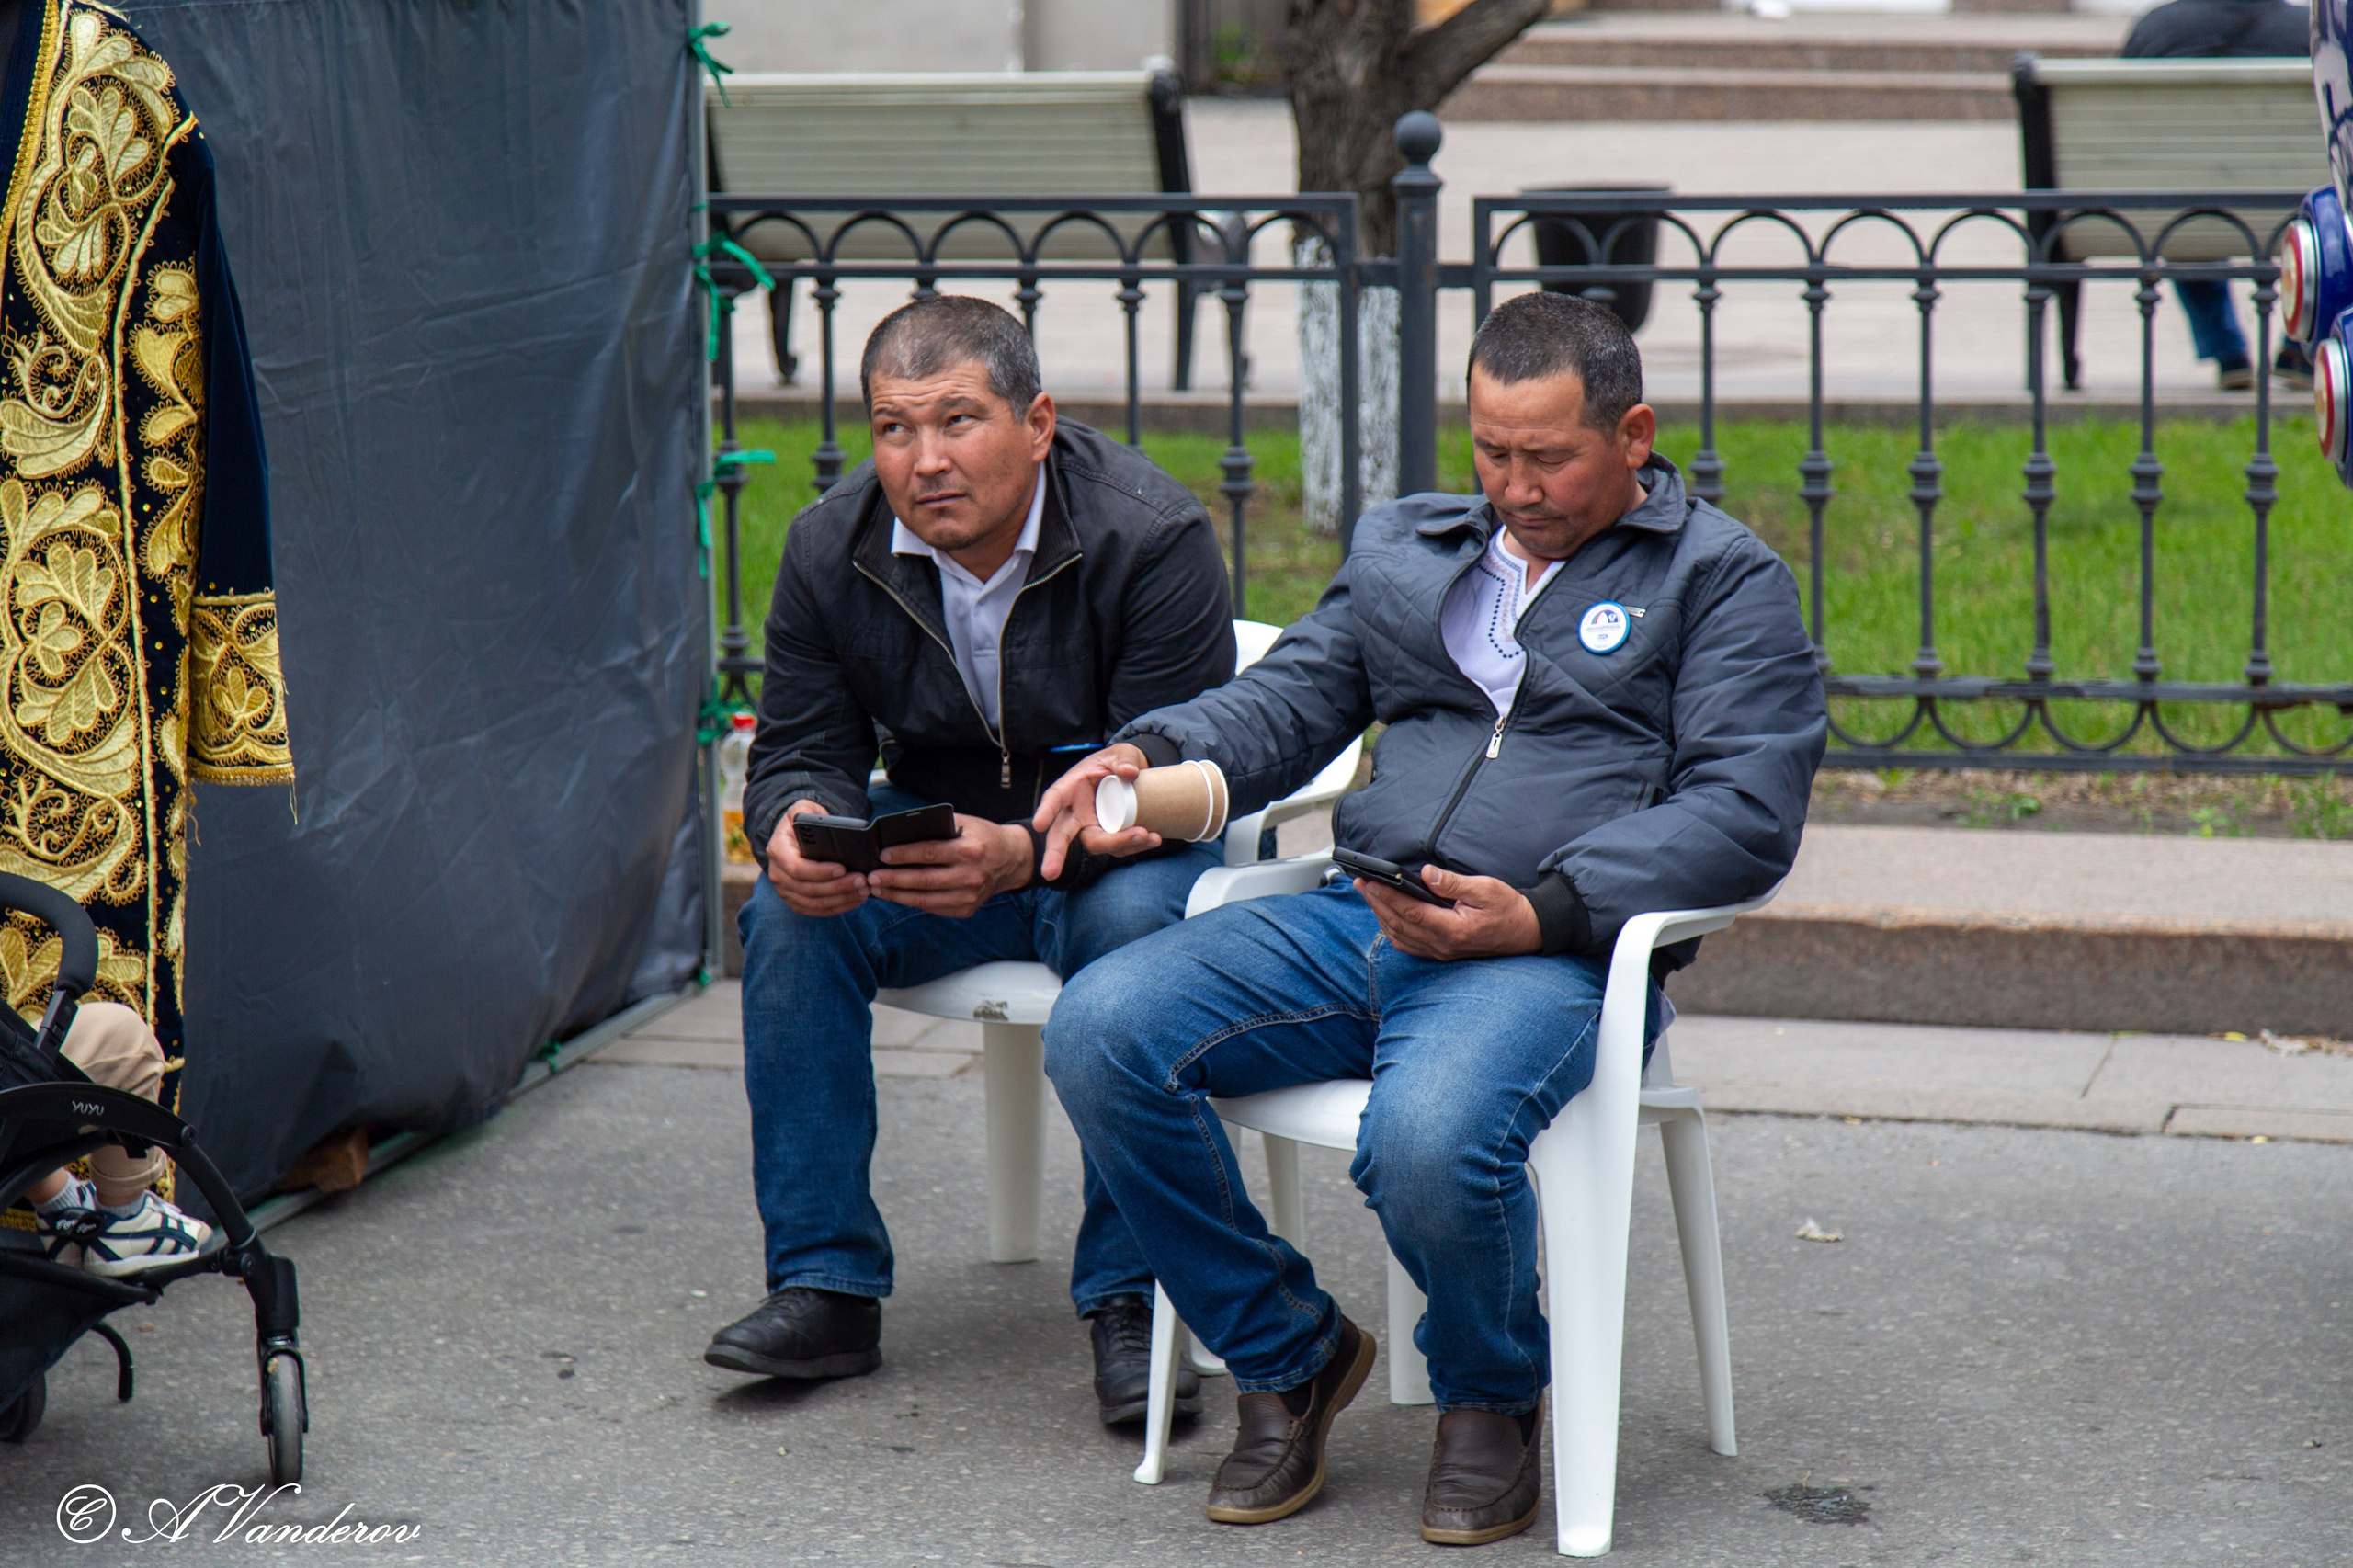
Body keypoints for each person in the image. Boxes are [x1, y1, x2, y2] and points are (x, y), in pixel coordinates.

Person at [1031, 293, 1825, 1544]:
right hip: (1363, 914)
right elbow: (1293, 696)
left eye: (1549, 455)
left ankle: (1492, 1393)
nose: (1515, 486)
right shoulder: (1413, 545)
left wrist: (1546, 909)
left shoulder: (1718, 580)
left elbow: (1745, 808)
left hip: (1544, 954)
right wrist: (1154, 752)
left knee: (1429, 1133)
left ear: (1634, 434)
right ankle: (1285, 1349)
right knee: (1097, 1027)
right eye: (1491, 450)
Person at [710, 295, 1237, 1426]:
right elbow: (804, 745)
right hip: (941, 841)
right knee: (791, 916)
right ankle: (824, 1283)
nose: (924, 460)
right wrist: (797, 823)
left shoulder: (1153, 534)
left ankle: (1133, 1299)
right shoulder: (827, 546)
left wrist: (1021, 856)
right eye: (894, 428)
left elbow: (1168, 765)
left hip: (1113, 848)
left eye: (958, 420)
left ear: (1037, 421)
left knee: (1135, 934)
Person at [0, 0, 290, 1262]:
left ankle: (62, 1195)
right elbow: (191, 389)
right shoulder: (109, 74)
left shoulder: (117, 82)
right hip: (79, 620)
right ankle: (88, 1198)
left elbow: (185, 379)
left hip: (67, 627)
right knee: (76, 942)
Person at [2120, 0, 2316, 389]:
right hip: (2298, 214)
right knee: (2332, 226)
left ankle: (2227, 351)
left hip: (2186, 215)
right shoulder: (2312, 32)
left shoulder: (2157, 29)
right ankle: (2300, 346)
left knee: (2179, 202)